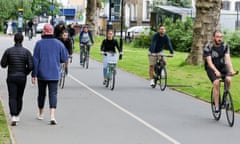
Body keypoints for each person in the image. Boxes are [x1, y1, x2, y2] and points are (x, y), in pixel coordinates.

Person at [31, 24, 68, 125]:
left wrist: (33, 75)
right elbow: (64, 58)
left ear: (44, 32)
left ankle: (41, 113)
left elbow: (35, 60)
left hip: (41, 73)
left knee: (41, 94)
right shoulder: (59, 44)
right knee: (53, 94)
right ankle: (52, 115)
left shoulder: (39, 44)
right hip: (54, 73)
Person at [0, 33, 33, 126]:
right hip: (22, 77)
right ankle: (17, 113)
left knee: (12, 96)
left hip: (11, 76)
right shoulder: (26, 52)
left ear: (14, 40)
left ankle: (13, 115)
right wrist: (25, 72)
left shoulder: (8, 51)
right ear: (22, 40)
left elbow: (3, 64)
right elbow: (31, 66)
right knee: (19, 96)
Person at [203, 30, 236, 113]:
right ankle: (217, 106)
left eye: (221, 37)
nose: (219, 39)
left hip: (222, 66)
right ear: (213, 37)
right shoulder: (208, 46)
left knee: (228, 79)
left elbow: (228, 59)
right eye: (217, 37)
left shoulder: (225, 45)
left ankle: (225, 98)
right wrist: (216, 71)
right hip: (211, 68)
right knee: (216, 82)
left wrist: (231, 69)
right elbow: (209, 62)